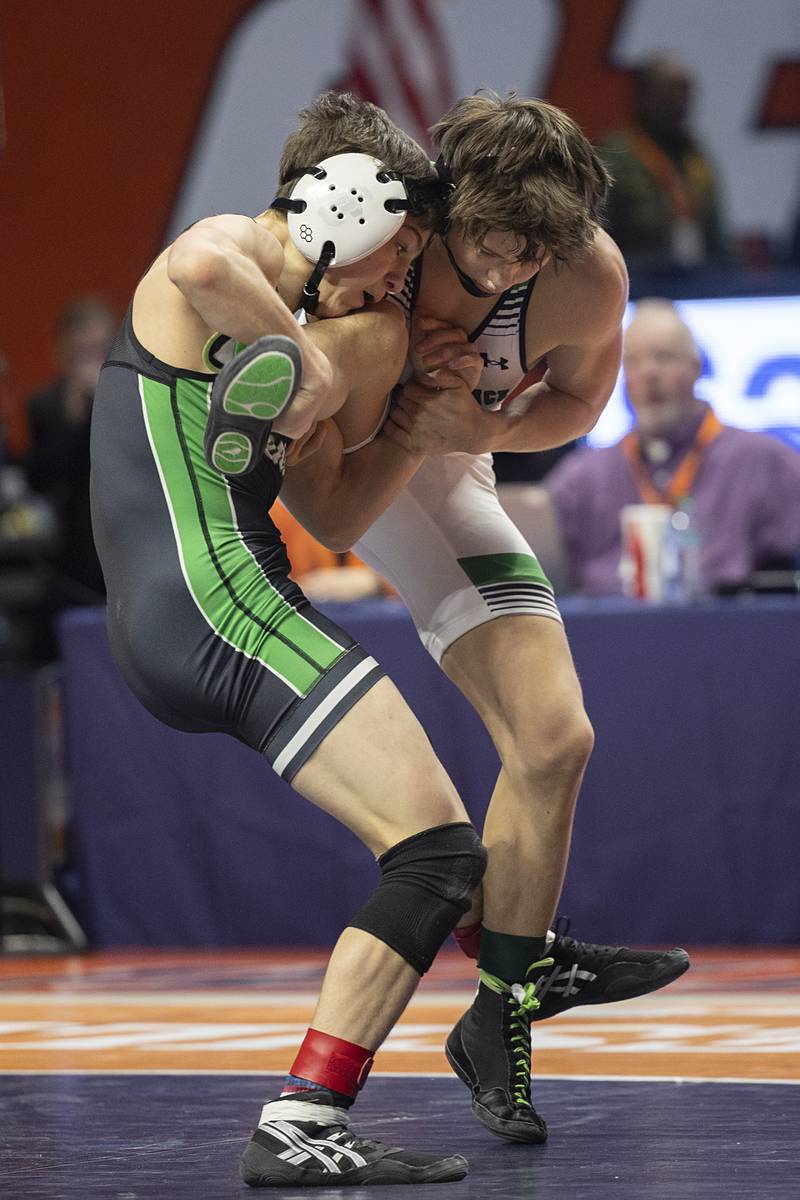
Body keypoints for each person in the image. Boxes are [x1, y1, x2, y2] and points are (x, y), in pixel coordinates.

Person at [90, 92, 489, 1188]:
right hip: (218, 606)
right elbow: (198, 259)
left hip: (203, 610)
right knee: (439, 851)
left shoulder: (296, 322)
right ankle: (307, 1114)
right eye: (393, 252)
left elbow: (341, 520)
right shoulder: (232, 260)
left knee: (438, 854)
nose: (394, 279)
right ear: (340, 213)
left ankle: (336, 1094)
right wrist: (310, 362)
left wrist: (412, 420)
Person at [279, 93, 690, 1147]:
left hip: (450, 455)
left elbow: (580, 405)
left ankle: (501, 996)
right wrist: (416, 417)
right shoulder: (384, 246)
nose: (504, 275)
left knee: (555, 740)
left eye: (528, 259)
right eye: (484, 254)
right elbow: (324, 496)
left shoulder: (583, 271)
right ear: (436, 208)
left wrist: (478, 420)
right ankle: (516, 964)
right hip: (351, 467)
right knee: (475, 798)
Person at [545, 298, 800, 596]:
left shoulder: (767, 462)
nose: (648, 373)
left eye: (663, 357)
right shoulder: (581, 478)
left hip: (731, 632)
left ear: (697, 368)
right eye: (633, 361)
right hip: (610, 633)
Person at [21, 298, 114, 659]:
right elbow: (42, 477)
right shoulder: (45, 404)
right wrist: (76, 412)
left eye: (101, 348)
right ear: (64, 352)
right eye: (84, 351)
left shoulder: (132, 399)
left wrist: (102, 400)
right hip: (72, 545)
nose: (92, 360)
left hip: (123, 533)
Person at [598, 54, 733, 272]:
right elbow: (598, 237)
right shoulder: (614, 155)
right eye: (668, 94)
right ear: (641, 96)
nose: (679, 104)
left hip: (700, 281)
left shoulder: (695, 156)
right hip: (637, 280)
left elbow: (717, 232)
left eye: (684, 94)